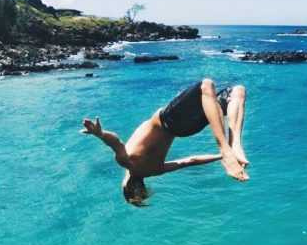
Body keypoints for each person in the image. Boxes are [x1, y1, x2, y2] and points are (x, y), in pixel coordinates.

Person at [81, 78, 248, 205]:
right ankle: (229, 148)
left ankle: (231, 149)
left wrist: (218, 157)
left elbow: (191, 161)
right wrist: (100, 134)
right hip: (170, 119)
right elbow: (115, 142)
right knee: (206, 85)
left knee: (237, 92)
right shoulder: (128, 163)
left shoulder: (155, 170)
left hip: (187, 129)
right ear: (124, 185)